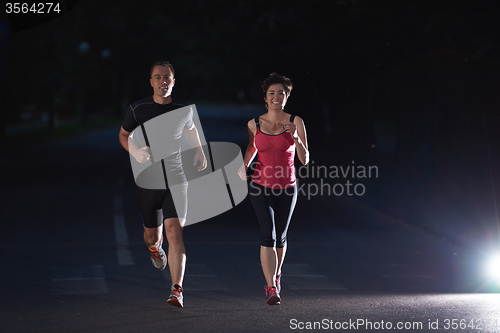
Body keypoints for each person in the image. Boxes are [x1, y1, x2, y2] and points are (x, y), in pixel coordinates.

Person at [118, 61, 207, 308]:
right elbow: (123, 135)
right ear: (151, 82)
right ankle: (156, 250)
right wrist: (134, 151)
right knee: (152, 237)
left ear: (173, 81)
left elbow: (190, 129)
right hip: (149, 181)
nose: (163, 81)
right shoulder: (138, 109)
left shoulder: (185, 109)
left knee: (174, 232)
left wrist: (199, 150)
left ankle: (176, 289)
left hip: (177, 179)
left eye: (167, 77)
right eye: (158, 77)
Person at [239, 73, 309, 305]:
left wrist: (296, 138)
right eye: (272, 93)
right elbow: (252, 146)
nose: (276, 97)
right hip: (260, 186)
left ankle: (277, 275)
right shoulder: (254, 123)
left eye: (281, 93)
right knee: (267, 234)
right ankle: (271, 287)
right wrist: (244, 165)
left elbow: (305, 159)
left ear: (287, 97)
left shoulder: (296, 122)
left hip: (287, 187)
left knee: (281, 236)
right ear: (265, 97)